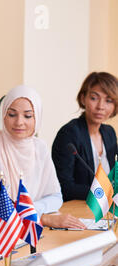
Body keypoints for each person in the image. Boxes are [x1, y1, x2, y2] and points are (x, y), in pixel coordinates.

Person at [0, 85, 86, 230]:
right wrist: (41, 217)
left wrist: (30, 211)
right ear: (4, 115)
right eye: (12, 114)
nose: (19, 122)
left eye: (27, 116)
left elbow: (55, 197)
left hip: (31, 230)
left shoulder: (40, 147)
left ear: (37, 117)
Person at [52, 72, 118, 201]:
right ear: (83, 98)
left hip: (106, 208)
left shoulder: (109, 133)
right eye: (94, 98)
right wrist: (104, 192)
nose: (100, 106)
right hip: (77, 209)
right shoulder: (69, 134)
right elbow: (64, 187)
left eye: (108, 101)